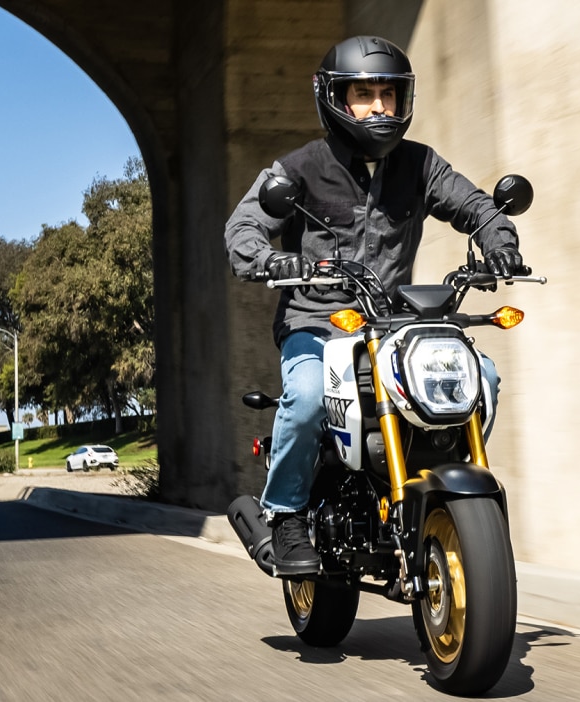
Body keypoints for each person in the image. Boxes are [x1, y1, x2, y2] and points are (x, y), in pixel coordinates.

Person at [223, 35, 528, 575]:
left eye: (389, 94)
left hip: (391, 325)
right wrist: (269, 260)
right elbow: (245, 226)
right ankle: (286, 513)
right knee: (309, 392)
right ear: (336, 99)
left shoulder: (420, 165)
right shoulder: (298, 169)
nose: (380, 107)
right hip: (317, 322)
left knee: (482, 378)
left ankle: (441, 493)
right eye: (365, 94)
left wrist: (499, 240)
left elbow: (474, 204)